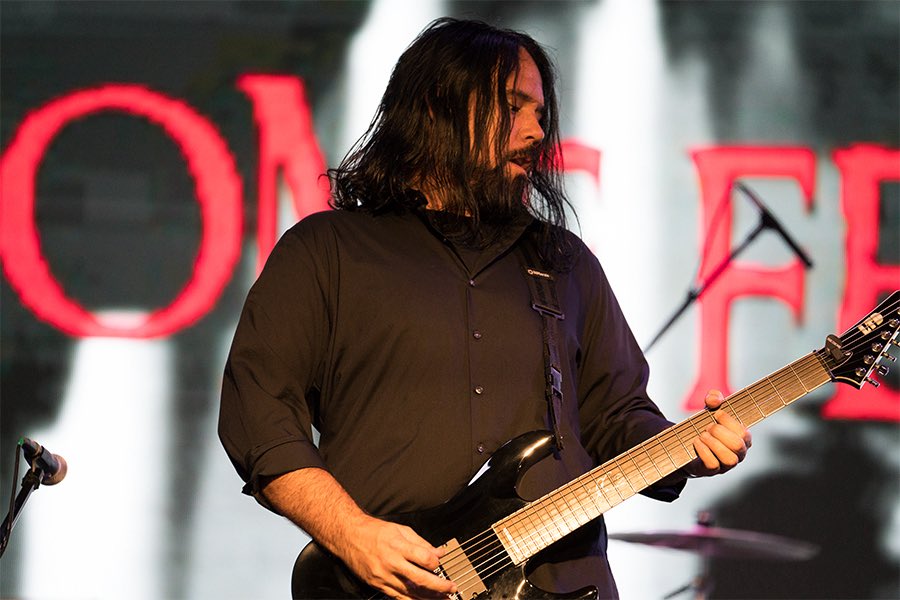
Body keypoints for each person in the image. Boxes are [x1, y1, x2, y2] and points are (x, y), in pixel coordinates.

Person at [219, 17, 751, 599]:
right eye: (513, 107)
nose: (536, 132)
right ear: (437, 105)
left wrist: (687, 449)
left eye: (541, 114)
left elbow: (616, 415)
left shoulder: (565, 264)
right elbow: (259, 414)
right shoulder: (328, 252)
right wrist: (351, 533)